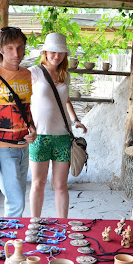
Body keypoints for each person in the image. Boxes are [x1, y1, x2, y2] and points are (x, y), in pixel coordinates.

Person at [29, 33, 87, 218]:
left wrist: (75, 120)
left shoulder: (65, 74)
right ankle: (35, 223)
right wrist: (28, 125)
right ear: (45, 52)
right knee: (38, 184)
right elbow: (23, 101)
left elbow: (66, 100)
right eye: (53, 52)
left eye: (61, 52)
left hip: (63, 137)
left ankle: (64, 224)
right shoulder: (34, 72)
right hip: (40, 137)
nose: (57, 56)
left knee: (61, 185)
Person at [0, 26, 37, 217]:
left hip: (23, 146)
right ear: (0, 49)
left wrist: (33, 129)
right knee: (16, 202)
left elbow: (27, 110)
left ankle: (11, 242)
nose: (16, 53)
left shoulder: (26, 75)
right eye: (10, 48)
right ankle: (12, 244)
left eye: (20, 47)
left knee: (17, 199)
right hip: (3, 148)